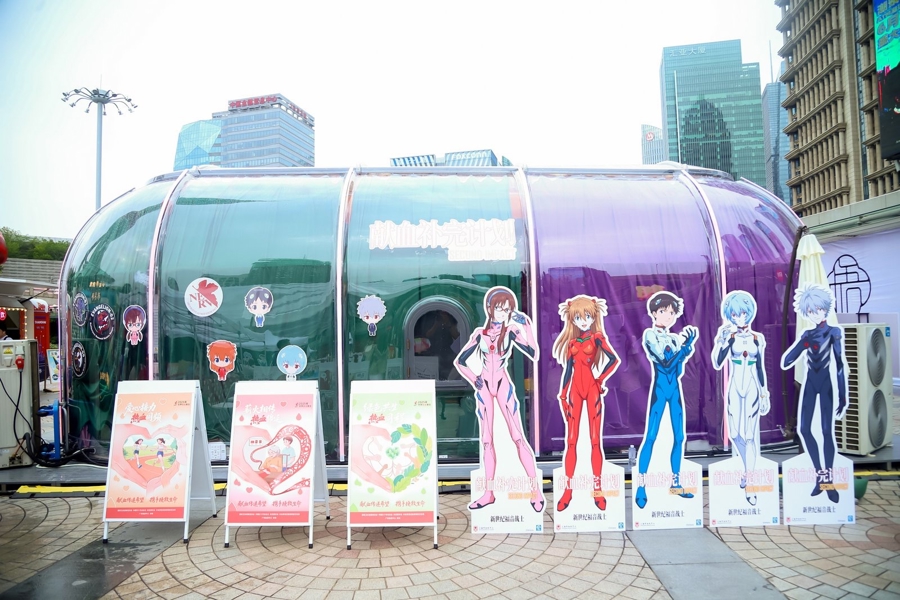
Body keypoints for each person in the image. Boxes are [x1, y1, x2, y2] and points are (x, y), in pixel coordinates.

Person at [455, 286, 544, 512]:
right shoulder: (480, 334)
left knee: (518, 436)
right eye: (499, 309)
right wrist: (474, 378)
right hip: (485, 385)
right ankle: (489, 493)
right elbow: (460, 361)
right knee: (487, 440)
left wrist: (527, 325)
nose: (502, 313)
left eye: (507, 310)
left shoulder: (511, 331)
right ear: (490, 308)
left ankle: (535, 492)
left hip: (503, 384)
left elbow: (533, 353)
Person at [781, 283, 848, 504]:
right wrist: (800, 345)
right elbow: (787, 360)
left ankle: (829, 480)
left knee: (827, 431)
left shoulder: (834, 332)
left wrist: (843, 395)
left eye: (818, 309)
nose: (815, 313)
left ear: (825, 308)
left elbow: (839, 364)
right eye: (810, 310)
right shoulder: (808, 334)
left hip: (827, 383)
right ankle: (820, 476)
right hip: (810, 383)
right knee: (804, 429)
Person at [553, 295, 620, 512]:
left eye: (587, 316)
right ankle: (568, 490)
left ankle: (597, 489)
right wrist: (563, 395)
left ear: (593, 316)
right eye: (578, 318)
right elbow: (568, 370)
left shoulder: (597, 337)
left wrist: (600, 380)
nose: (583, 321)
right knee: (571, 441)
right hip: (574, 389)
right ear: (572, 319)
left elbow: (614, 360)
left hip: (591, 388)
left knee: (594, 440)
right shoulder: (572, 343)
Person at [635, 291, 699, 509]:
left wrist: (685, 348)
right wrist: (685, 348)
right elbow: (665, 363)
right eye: (663, 311)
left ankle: (676, 483)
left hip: (674, 389)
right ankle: (641, 486)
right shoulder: (650, 335)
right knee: (651, 436)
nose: (668, 316)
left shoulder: (674, 338)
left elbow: (678, 369)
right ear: (654, 313)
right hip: (660, 389)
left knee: (679, 437)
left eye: (671, 313)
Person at [711, 291, 769, 506]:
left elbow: (760, 367)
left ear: (750, 313)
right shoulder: (731, 337)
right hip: (735, 386)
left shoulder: (757, 338)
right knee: (735, 433)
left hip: (752, 386)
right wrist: (721, 341)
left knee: (750, 436)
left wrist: (764, 392)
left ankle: (751, 484)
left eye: (743, 313)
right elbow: (717, 362)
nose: (739, 318)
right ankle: (747, 469)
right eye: (735, 315)